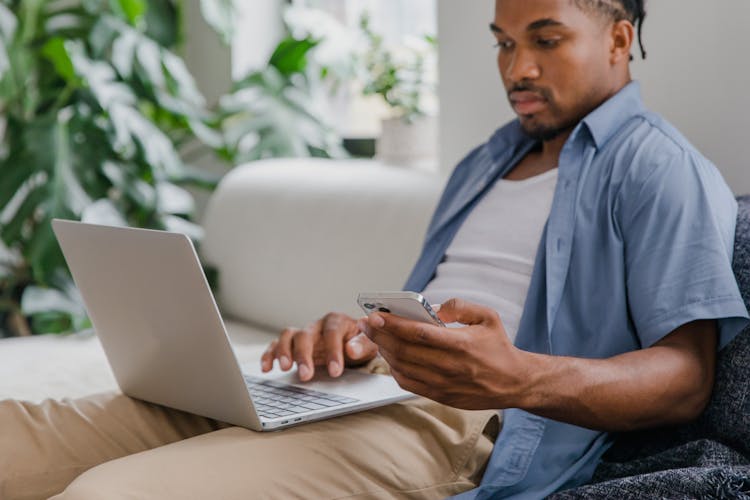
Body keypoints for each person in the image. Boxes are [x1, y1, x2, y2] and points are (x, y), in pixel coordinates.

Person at [2, 0, 747, 499]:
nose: (516, 70)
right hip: (357, 386)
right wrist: (359, 338)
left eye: (545, 40)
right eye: (504, 43)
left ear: (620, 37)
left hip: (457, 422)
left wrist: (517, 376)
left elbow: (686, 378)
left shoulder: (659, 167)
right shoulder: (487, 160)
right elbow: (432, 303)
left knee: (112, 492)